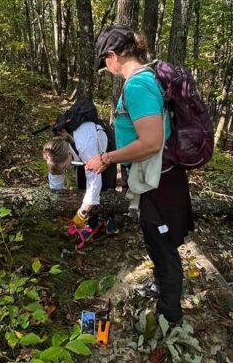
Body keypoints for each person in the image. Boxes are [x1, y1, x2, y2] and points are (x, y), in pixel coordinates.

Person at [85, 24, 194, 325]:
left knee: (163, 246)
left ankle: (169, 317)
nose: (106, 68)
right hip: (156, 177)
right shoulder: (145, 79)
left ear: (113, 55)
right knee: (156, 240)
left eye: (104, 61)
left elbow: (151, 141)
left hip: (160, 182)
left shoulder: (137, 85)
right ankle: (161, 289)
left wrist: (107, 158)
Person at [42, 115, 118, 235]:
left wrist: (82, 213)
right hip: (82, 153)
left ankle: (109, 218)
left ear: (68, 154)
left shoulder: (84, 146)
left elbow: (94, 184)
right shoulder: (55, 153)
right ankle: (92, 220)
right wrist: (57, 203)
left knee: (106, 183)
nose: (65, 170)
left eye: (64, 167)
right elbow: (55, 181)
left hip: (104, 145)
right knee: (82, 185)